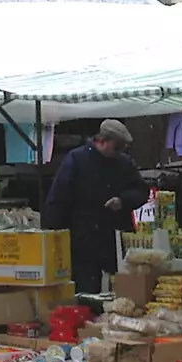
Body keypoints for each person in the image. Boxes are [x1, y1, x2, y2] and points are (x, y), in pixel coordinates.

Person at [41, 119, 149, 293]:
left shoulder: (124, 163)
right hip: (82, 240)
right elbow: (59, 199)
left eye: (122, 148)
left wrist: (122, 201)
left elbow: (141, 191)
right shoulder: (76, 159)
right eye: (116, 147)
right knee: (86, 291)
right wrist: (54, 235)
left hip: (115, 240)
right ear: (102, 141)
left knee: (122, 292)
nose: (119, 152)